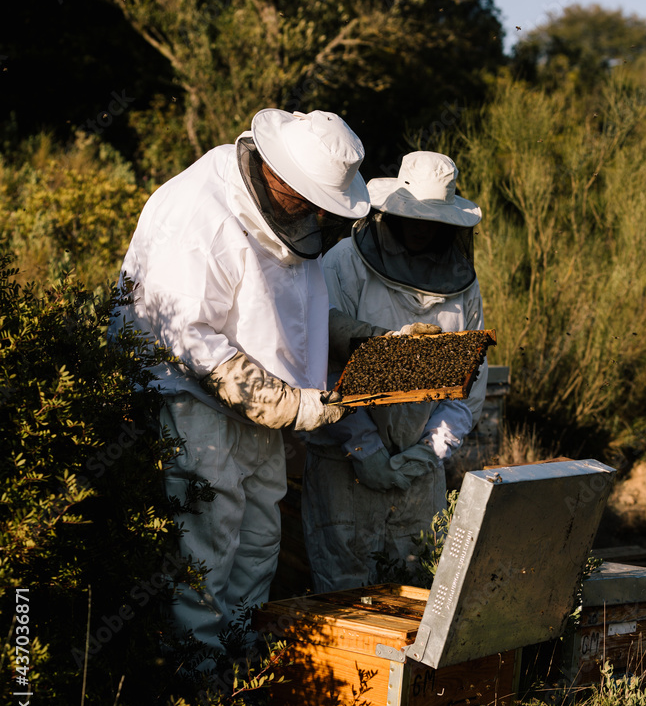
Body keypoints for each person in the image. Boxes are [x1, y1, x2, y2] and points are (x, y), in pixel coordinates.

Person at [110, 108, 380, 658]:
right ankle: (197, 692)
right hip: (190, 406)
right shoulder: (202, 215)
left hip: (259, 414)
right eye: (309, 202)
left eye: (325, 209)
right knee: (204, 559)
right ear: (278, 174)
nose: (315, 217)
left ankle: (239, 678)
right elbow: (183, 333)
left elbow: (290, 311)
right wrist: (283, 403)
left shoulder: (286, 216)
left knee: (258, 549)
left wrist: (366, 340)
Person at [302, 150, 488, 592]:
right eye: (414, 216)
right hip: (344, 467)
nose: (423, 227)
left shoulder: (464, 285)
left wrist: (433, 447)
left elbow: (470, 379)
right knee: (346, 598)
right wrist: (364, 447)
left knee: (418, 591)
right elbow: (320, 361)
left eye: (434, 219)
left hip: (419, 472)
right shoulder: (344, 263)